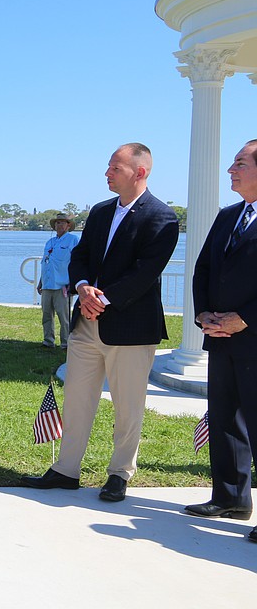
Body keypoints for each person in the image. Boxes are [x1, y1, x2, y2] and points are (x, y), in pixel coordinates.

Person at [22, 143, 178, 502]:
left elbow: (145, 273)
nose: (107, 173)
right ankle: (65, 470)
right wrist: (81, 287)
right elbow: (82, 256)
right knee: (77, 397)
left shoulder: (161, 217)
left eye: (115, 168)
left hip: (131, 329)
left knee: (128, 405)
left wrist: (101, 299)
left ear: (140, 173)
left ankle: (119, 473)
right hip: (86, 326)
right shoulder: (100, 212)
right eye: (109, 167)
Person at [185, 139, 257, 542]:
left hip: (253, 336)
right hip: (221, 338)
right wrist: (203, 313)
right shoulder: (229, 215)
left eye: (240, 163)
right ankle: (231, 497)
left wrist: (243, 319)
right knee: (225, 417)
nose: (231, 169)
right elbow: (204, 269)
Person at [37, 213, 79, 349]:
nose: (59, 225)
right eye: (57, 223)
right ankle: (48, 340)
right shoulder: (50, 242)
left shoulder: (73, 240)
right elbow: (45, 263)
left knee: (64, 316)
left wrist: (73, 282)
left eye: (62, 222)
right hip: (48, 284)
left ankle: (66, 343)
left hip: (63, 286)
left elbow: (77, 262)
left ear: (68, 225)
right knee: (46, 315)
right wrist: (40, 282)